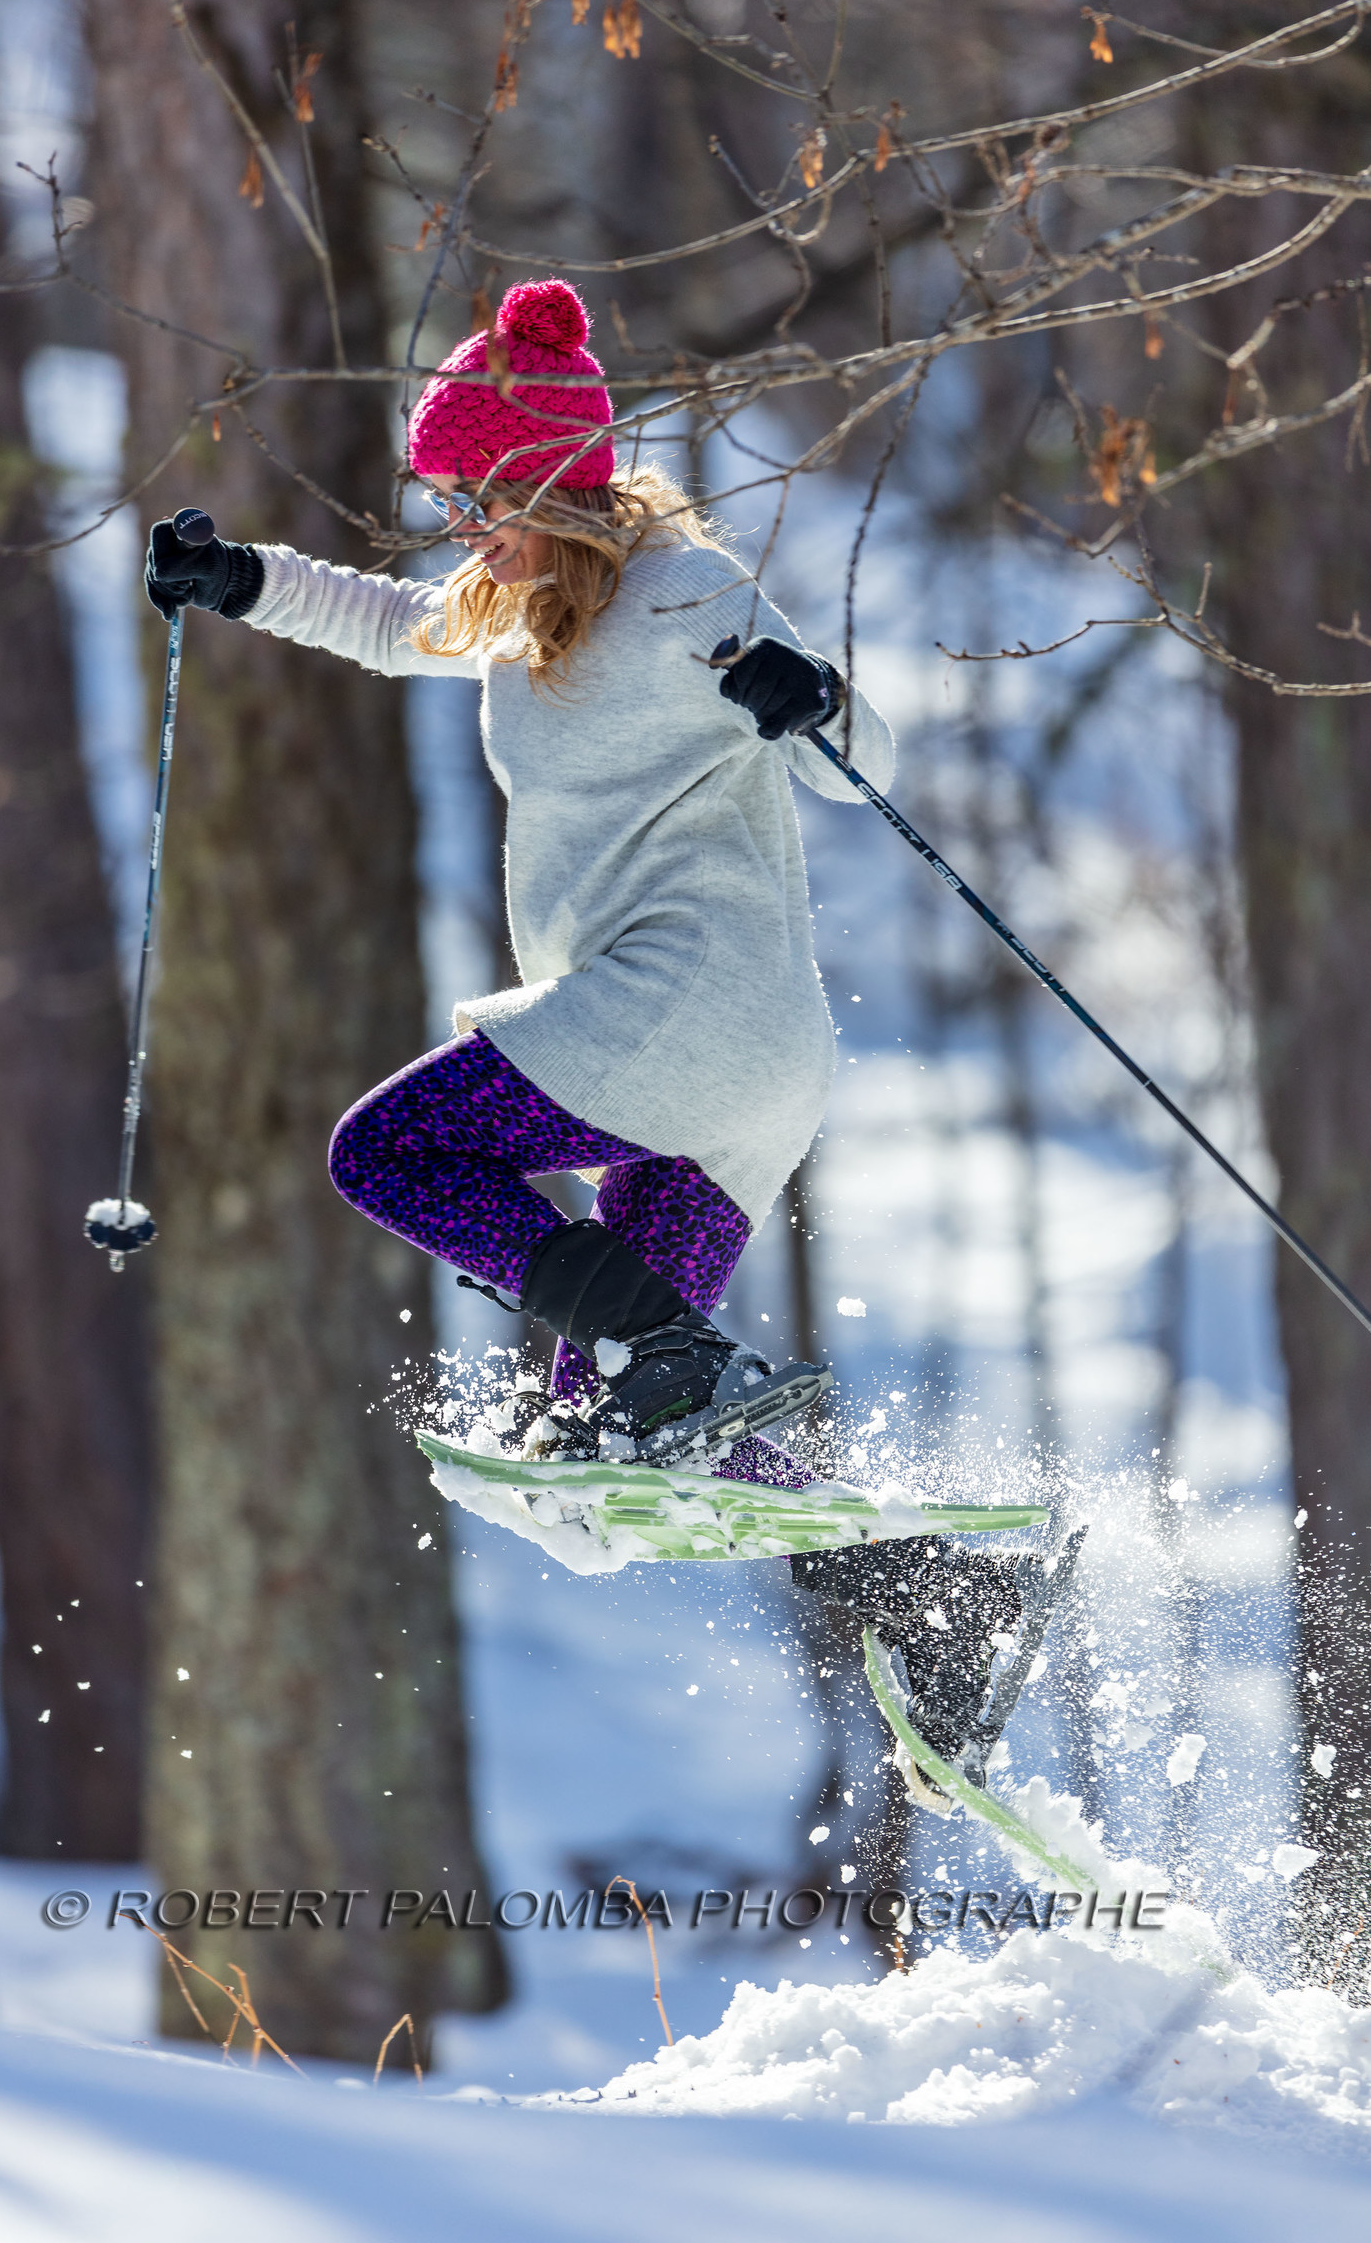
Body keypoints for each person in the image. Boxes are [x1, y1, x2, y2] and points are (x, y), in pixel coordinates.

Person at [145, 276, 1043, 1785]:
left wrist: (807, 697)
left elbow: (853, 764)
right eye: (445, 497)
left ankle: (672, 1360)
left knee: (393, 1151)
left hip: (684, 1009)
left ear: (556, 483)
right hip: (736, 1061)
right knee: (633, 1443)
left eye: (478, 497)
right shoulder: (519, 605)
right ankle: (929, 1580)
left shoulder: (684, 595)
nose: (460, 529)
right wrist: (241, 579)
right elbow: (392, 625)